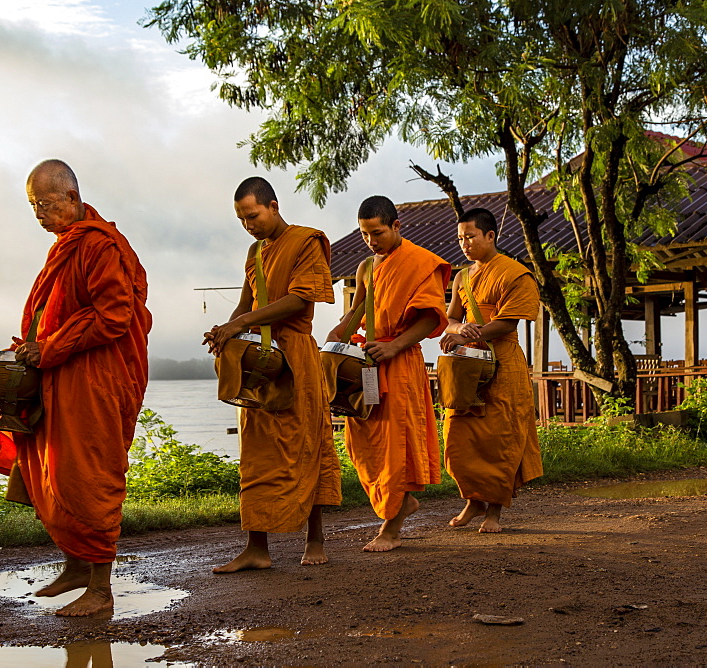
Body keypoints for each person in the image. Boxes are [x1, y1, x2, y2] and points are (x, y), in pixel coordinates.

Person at [0, 159, 152, 616]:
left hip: (94, 379)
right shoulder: (66, 244)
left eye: (46, 203)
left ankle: (101, 588)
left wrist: (51, 347)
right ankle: (75, 565)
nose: (38, 213)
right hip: (60, 375)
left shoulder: (99, 246)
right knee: (51, 472)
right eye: (33, 205)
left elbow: (114, 315)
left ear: (72, 198)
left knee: (88, 476)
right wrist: (32, 348)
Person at [203, 176, 341, 573]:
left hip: (295, 354)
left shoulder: (306, 241)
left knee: (306, 442)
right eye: (242, 220)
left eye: (253, 215)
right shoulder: (254, 252)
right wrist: (226, 334)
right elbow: (246, 302)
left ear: (274, 205)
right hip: (260, 363)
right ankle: (256, 548)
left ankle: (315, 538)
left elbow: (299, 299)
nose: (249, 225)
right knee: (257, 454)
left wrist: (241, 321)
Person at [327, 195, 450, 552]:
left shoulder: (419, 262)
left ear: (396, 226)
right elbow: (357, 310)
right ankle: (401, 503)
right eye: (365, 234)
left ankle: (391, 528)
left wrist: (394, 346)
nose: (371, 241)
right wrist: (338, 334)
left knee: (397, 443)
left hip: (399, 360)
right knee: (362, 439)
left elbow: (431, 317)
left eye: (377, 233)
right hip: (367, 361)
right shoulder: (367, 266)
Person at [439, 207, 543, 533]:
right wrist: (458, 332)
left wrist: (475, 332)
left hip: (503, 363)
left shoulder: (515, 273)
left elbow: (509, 320)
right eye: (460, 238)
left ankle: (494, 511)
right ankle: (473, 499)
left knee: (500, 437)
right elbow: (452, 317)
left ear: (489, 236)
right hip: (469, 365)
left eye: (470, 237)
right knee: (457, 435)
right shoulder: (461, 277)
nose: (465, 244)